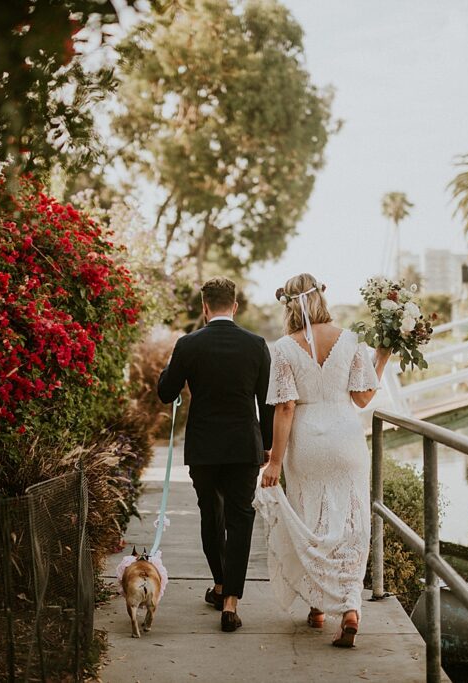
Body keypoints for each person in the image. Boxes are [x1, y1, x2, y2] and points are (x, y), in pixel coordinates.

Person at [253, 272, 389, 648]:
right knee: (350, 520)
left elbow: (284, 407)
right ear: (322, 296)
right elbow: (363, 398)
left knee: (311, 519)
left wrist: (275, 462)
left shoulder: (283, 347)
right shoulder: (349, 339)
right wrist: (382, 358)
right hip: (346, 437)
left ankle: (316, 607)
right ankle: (349, 608)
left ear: (288, 304)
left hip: (307, 441)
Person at [157, 276, 274, 633]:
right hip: (243, 447)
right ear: (234, 306)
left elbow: (166, 392)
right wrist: (266, 444)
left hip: (204, 448)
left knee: (211, 515)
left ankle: (221, 582)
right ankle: (230, 602)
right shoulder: (256, 345)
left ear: (205, 307)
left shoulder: (189, 344)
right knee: (241, 520)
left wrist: (173, 366)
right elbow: (266, 402)